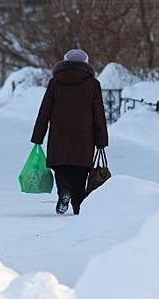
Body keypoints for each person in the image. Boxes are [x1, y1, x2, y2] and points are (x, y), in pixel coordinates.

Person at [31, 49, 108, 215]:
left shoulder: (55, 82)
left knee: (61, 168)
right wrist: (101, 139)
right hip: (84, 137)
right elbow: (98, 114)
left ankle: (64, 191)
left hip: (59, 136)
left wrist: (38, 136)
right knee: (80, 170)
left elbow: (44, 111)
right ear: (86, 64)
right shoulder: (93, 85)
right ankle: (78, 205)